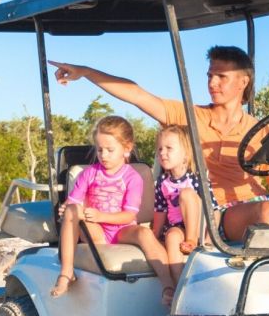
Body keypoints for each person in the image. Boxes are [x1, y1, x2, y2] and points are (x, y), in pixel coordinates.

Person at [48, 47, 269, 241]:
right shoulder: (188, 115)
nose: (212, 83)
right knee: (267, 212)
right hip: (217, 214)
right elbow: (137, 94)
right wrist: (86, 72)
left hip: (268, 208)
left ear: (243, 82)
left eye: (221, 77)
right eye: (210, 75)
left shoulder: (259, 129)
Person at [51, 115, 176, 304]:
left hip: (122, 228)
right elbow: (74, 201)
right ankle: (66, 273)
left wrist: (101, 215)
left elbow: (129, 215)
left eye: (110, 150)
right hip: (96, 231)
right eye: (100, 150)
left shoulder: (133, 177)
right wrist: (66, 208)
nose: (104, 155)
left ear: (127, 149)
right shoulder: (89, 173)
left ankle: (168, 285)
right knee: (71, 211)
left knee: (144, 233)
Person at [153, 125, 214, 285]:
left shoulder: (197, 177)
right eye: (160, 149)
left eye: (168, 148)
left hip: (199, 227)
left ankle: (191, 240)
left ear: (185, 153)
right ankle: (181, 284)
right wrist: (155, 235)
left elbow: (213, 208)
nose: (162, 153)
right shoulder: (162, 181)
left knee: (186, 194)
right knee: (171, 237)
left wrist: (210, 237)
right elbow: (161, 210)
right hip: (178, 226)